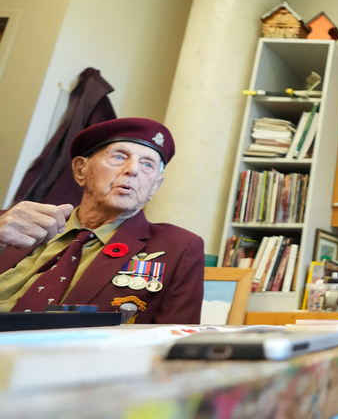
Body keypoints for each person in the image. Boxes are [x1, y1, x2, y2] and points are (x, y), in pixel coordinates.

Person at [0, 117, 204, 323]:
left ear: (155, 187)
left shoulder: (179, 248)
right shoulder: (11, 224)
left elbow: (176, 340)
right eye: (119, 157)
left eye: (147, 164)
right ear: (81, 170)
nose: (133, 170)